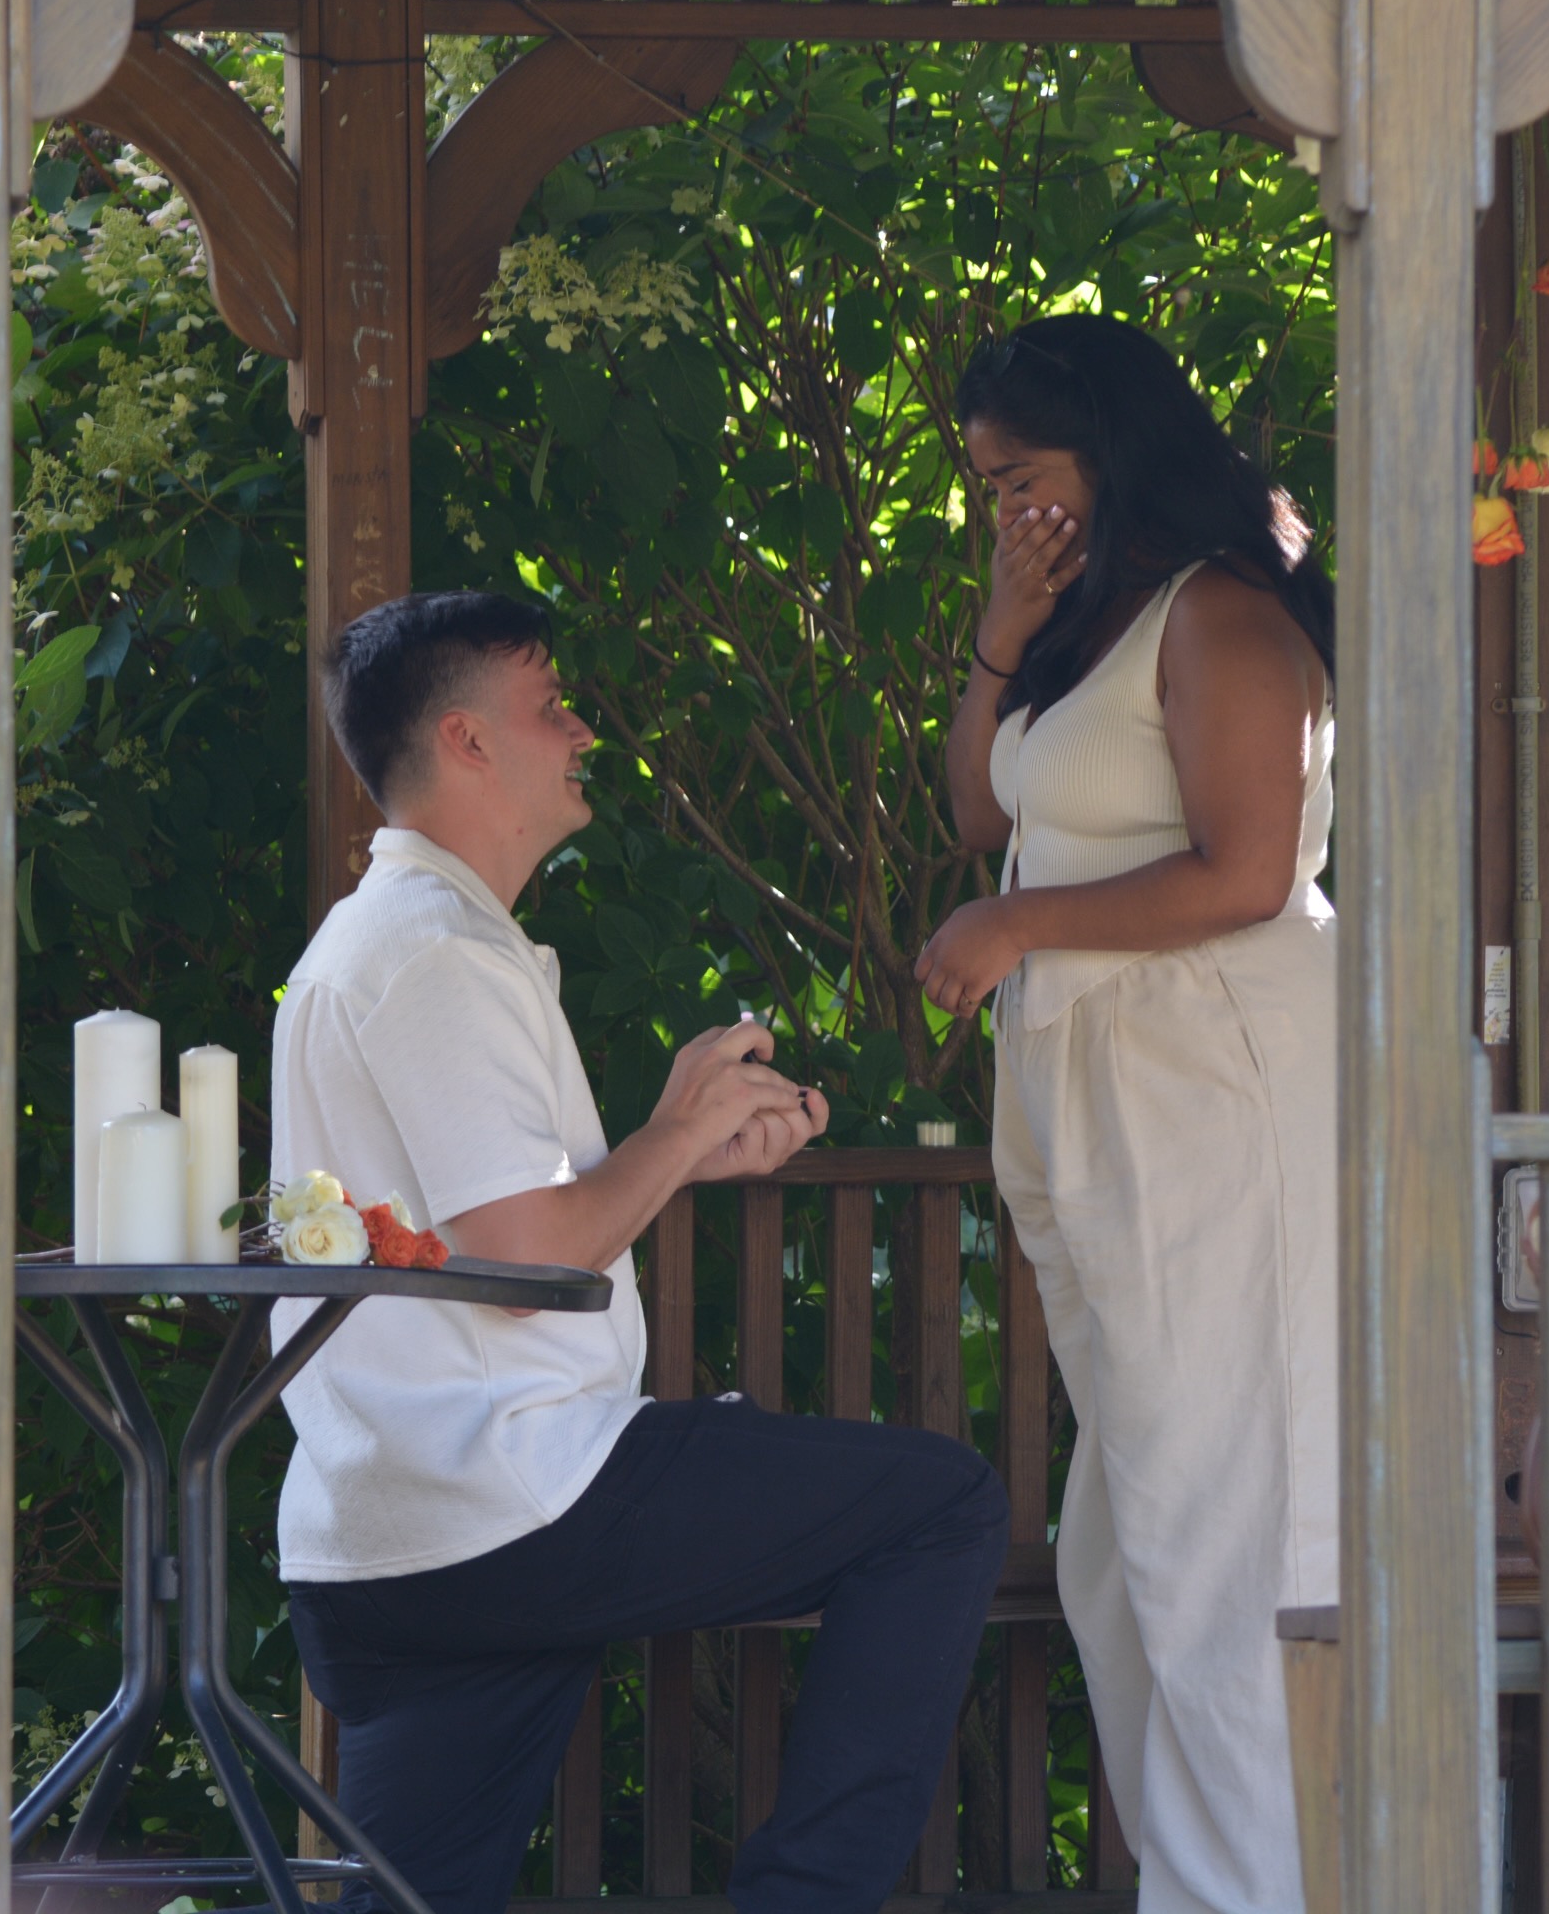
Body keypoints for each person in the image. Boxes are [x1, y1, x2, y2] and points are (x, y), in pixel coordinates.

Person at [271, 590, 1010, 1914]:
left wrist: (683, 1148)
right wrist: (673, 1132)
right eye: (549, 706)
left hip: (392, 1536)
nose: (580, 731)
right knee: (941, 1507)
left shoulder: (403, 941)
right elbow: (528, 1260)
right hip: (512, 1499)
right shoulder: (430, 954)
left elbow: (506, 1220)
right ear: (466, 742)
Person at [913, 314, 1337, 1913]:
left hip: (1215, 1093)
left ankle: (1266, 1890)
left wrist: (1017, 931)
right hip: (1102, 1099)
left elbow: (1247, 870)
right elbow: (981, 810)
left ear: (1110, 447)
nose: (999, 506)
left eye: (1017, 475)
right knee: (1125, 1544)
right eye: (981, 485)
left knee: (1220, 1532)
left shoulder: (1223, 616)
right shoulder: (1092, 625)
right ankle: (1212, 1876)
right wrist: (1003, 627)